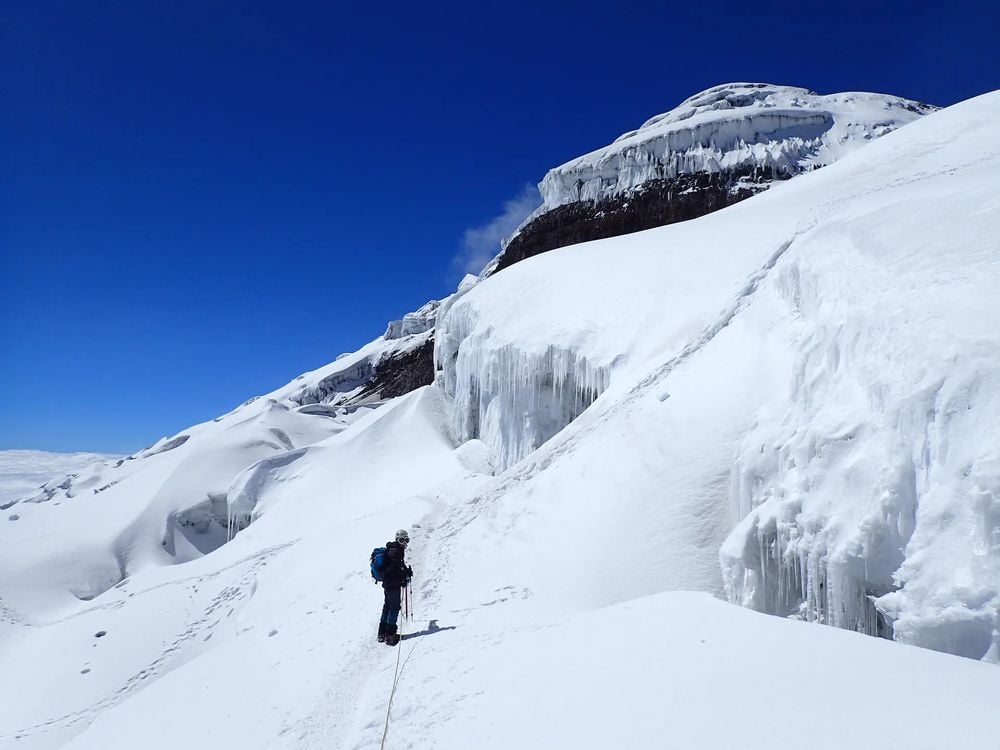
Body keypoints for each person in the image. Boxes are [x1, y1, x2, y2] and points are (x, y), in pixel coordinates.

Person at [378, 529, 413, 646]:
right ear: (397, 539)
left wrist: (405, 571)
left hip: (388, 583)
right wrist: (404, 574)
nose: (404, 543)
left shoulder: (393, 549)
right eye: (402, 540)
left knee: (387, 606)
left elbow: (398, 566)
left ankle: (382, 633)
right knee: (394, 607)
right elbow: (394, 569)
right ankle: (390, 635)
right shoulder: (396, 551)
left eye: (406, 540)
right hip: (392, 584)